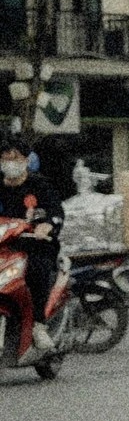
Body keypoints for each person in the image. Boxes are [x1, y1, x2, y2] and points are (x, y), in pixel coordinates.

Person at [0, 130, 62, 361]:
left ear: (26, 160)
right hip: (4, 247)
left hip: (34, 245)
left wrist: (46, 226)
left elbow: (55, 212)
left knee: (37, 268)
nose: (9, 163)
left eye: (14, 158)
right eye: (5, 158)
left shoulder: (39, 186)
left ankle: (38, 324)